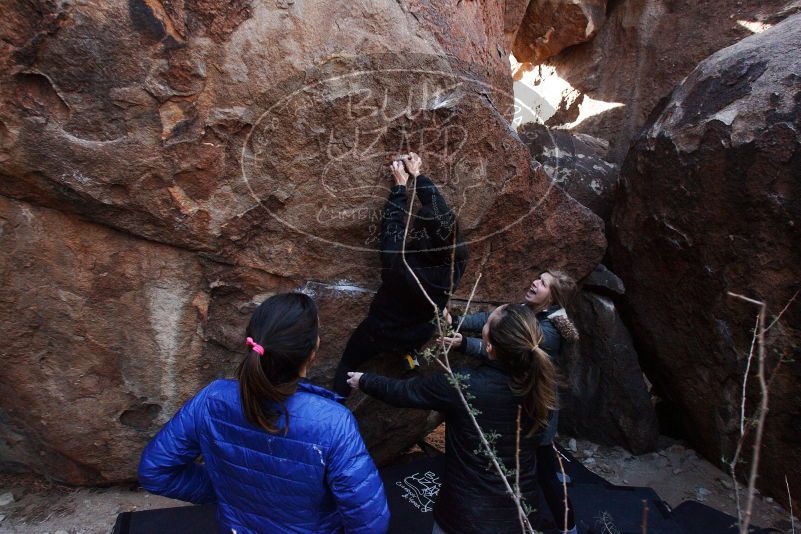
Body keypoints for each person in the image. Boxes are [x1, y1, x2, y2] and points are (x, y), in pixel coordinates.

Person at [138, 293, 390, 534]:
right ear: (312, 353)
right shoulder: (334, 423)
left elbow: (155, 470)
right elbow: (370, 523)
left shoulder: (211, 399)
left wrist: (226, 494)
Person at [347, 304, 557, 534]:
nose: (484, 323)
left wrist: (364, 380)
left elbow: (406, 391)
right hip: (521, 516)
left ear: (489, 346)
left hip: (465, 518)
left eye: (486, 323)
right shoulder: (541, 385)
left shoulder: (465, 386)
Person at [443, 270, 579, 534]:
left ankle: (568, 527)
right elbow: (491, 320)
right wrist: (458, 321)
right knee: (534, 466)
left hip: (536, 409)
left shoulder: (548, 332)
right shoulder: (525, 310)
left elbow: (509, 347)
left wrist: (464, 345)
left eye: (542, 283)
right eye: (537, 278)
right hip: (520, 402)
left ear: (551, 299)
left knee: (544, 474)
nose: (534, 282)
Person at [332, 152, 467, 396]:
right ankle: (409, 356)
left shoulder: (401, 265)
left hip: (381, 332)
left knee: (348, 363)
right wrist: (418, 176)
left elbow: (391, 229)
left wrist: (399, 188)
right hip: (419, 331)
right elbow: (441, 217)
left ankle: (337, 400)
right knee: (414, 337)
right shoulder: (458, 259)